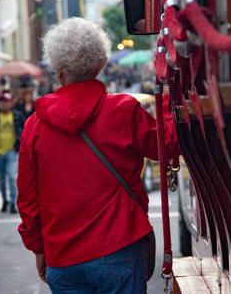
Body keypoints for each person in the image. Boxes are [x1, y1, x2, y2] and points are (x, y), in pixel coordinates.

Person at [16, 18, 179, 293]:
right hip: (119, 245)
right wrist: (168, 98)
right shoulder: (122, 110)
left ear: (58, 71)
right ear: (101, 63)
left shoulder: (35, 126)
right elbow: (167, 145)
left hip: (63, 256)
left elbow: (29, 201)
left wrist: (38, 248)